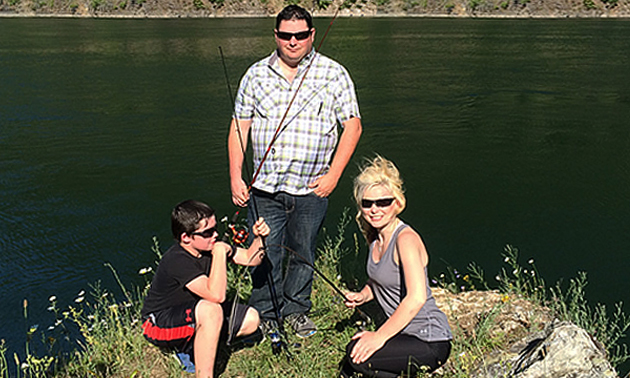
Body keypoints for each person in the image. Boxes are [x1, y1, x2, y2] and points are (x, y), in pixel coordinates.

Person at [228, 4, 362, 338]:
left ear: (311, 35)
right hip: (265, 188)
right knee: (265, 251)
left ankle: (297, 310)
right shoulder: (255, 75)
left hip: (312, 189)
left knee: (303, 251)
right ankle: (265, 312)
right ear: (276, 35)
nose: (293, 42)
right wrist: (235, 176)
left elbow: (354, 126)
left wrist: (333, 176)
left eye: (300, 35)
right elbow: (238, 127)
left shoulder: (334, 73)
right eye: (286, 35)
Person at [340, 156, 452, 378]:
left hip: (429, 340)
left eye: (383, 202)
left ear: (397, 203)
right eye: (367, 203)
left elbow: (417, 298)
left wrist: (379, 337)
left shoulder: (406, 240)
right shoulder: (375, 237)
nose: (374, 209)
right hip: (403, 334)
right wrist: (362, 295)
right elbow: (380, 279)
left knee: (357, 356)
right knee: (353, 358)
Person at [141, 200, 270, 378]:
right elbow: (216, 296)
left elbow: (251, 258)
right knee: (212, 310)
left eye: (215, 228)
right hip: (158, 324)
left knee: (252, 319)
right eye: (207, 232)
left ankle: (196, 346)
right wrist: (219, 253)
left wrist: (259, 238)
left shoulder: (208, 246)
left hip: (195, 312)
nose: (215, 235)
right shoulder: (177, 259)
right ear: (186, 237)